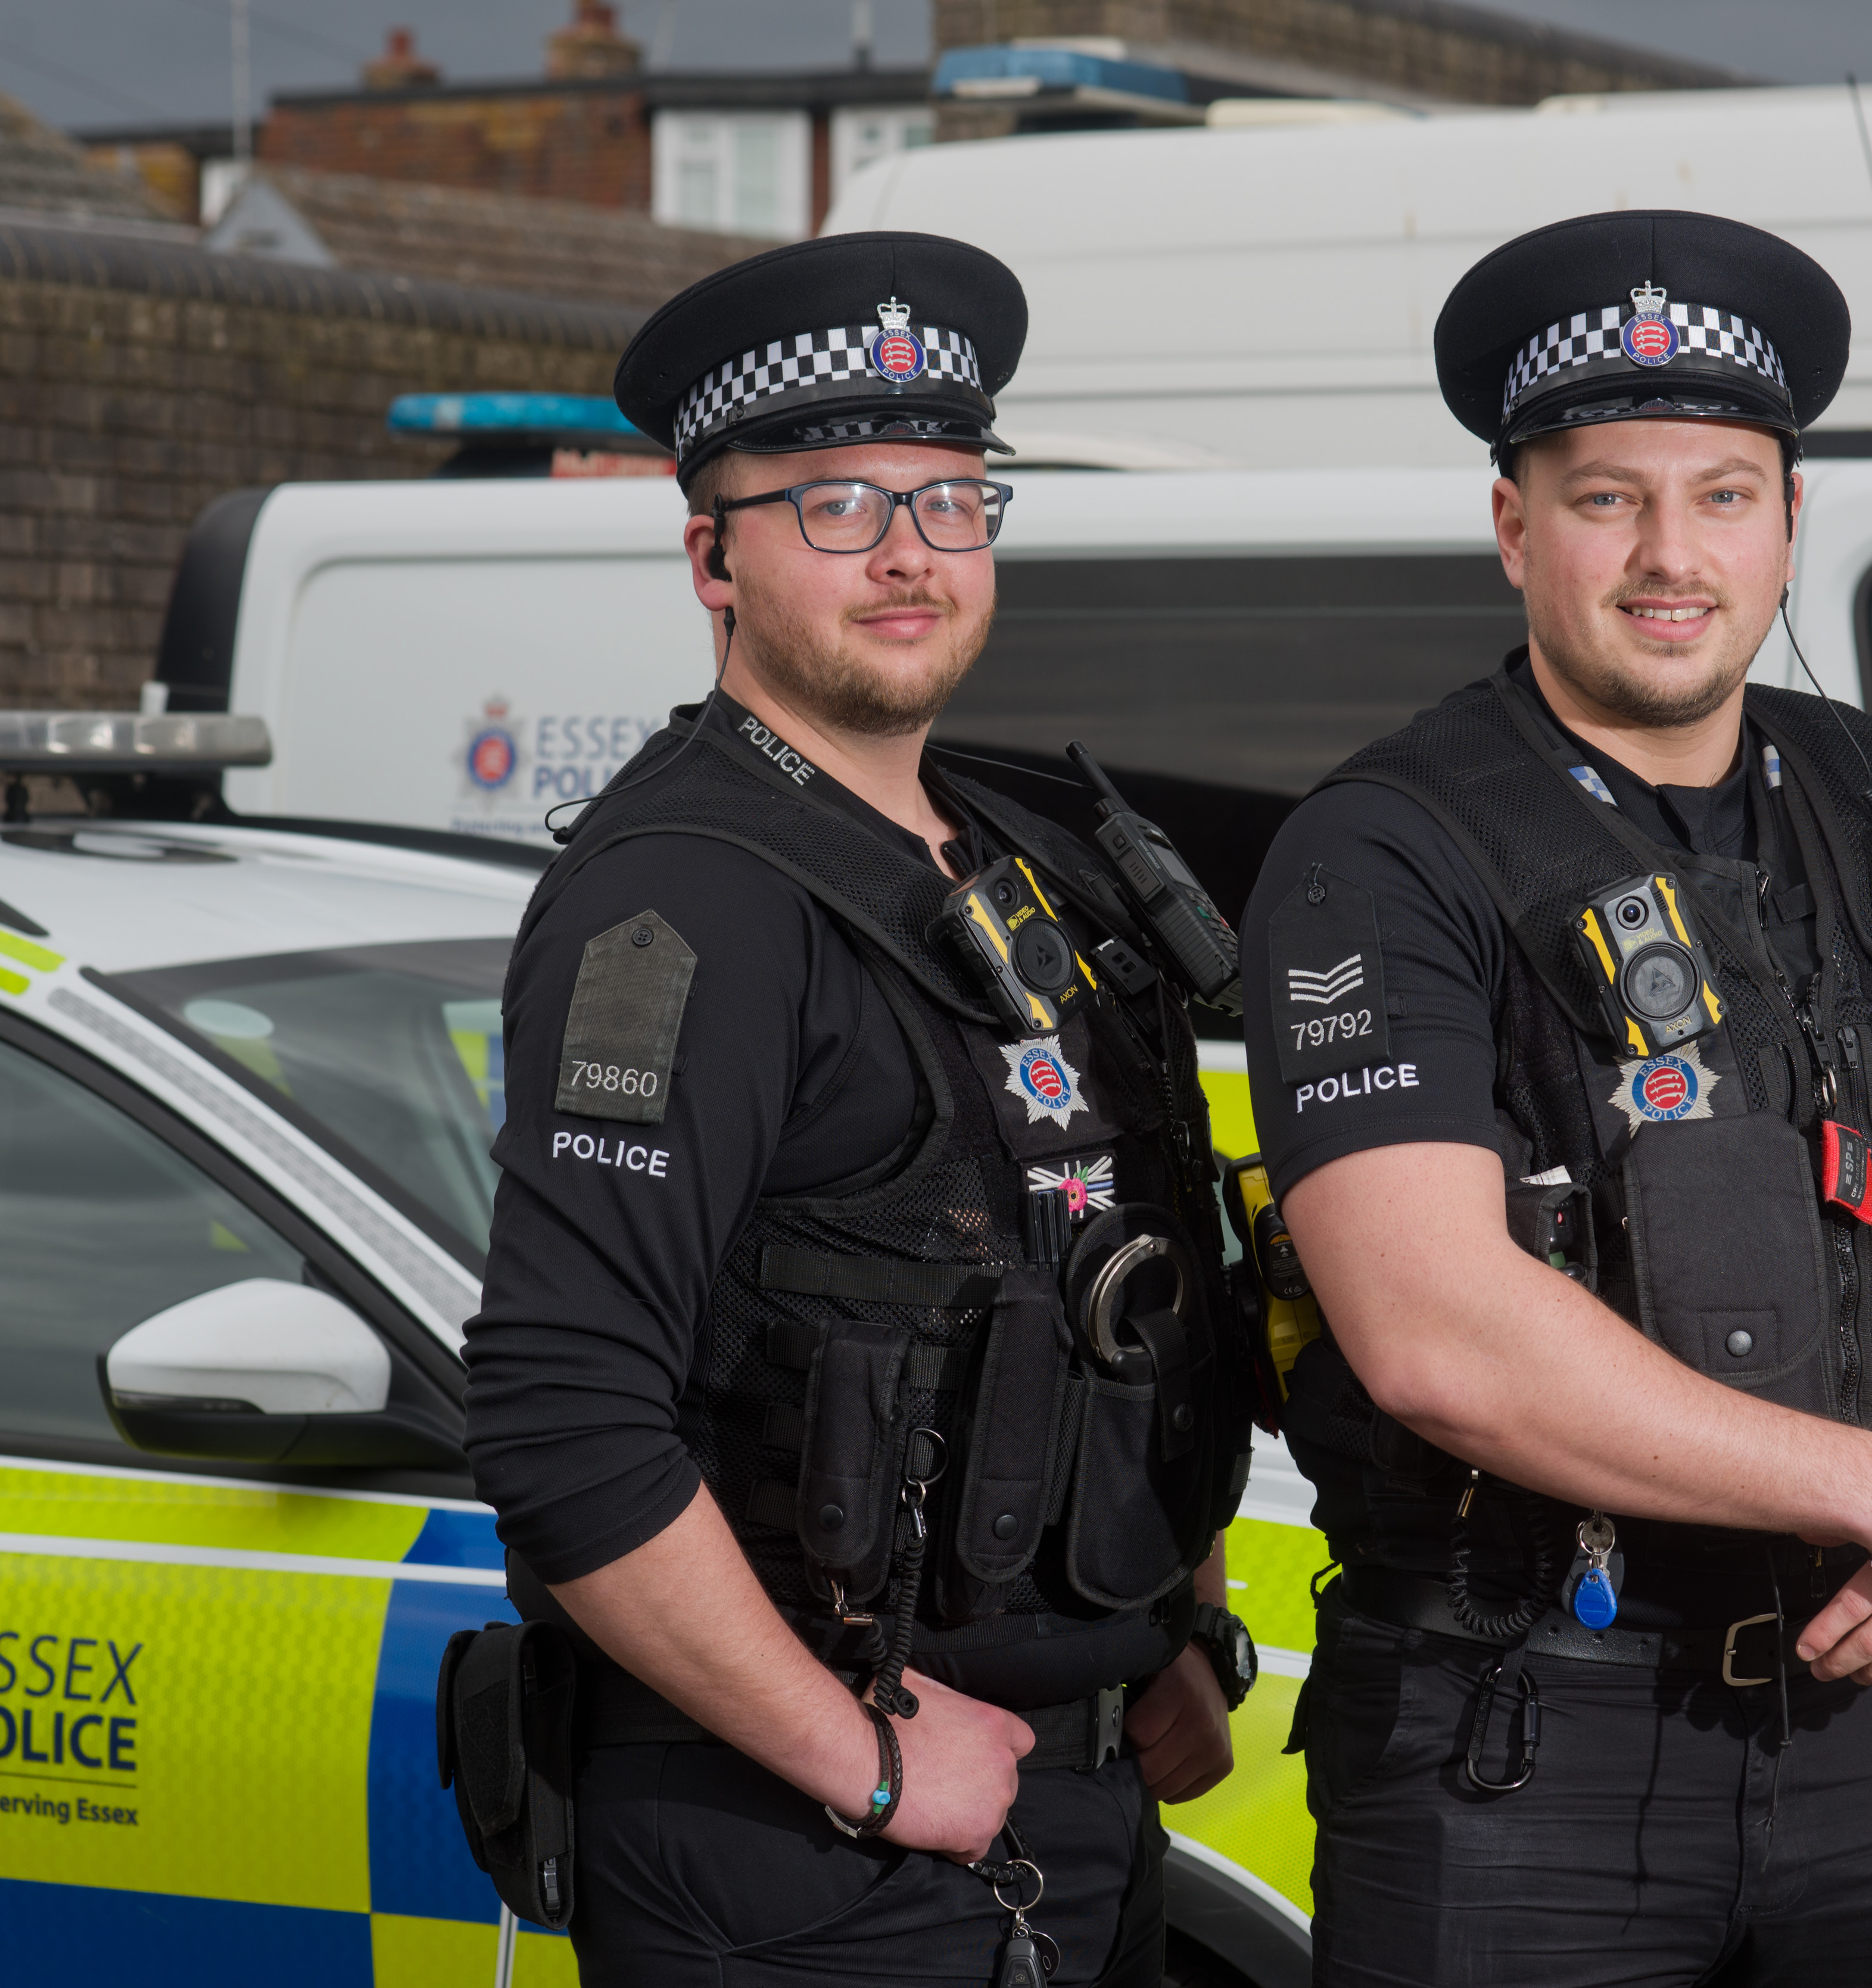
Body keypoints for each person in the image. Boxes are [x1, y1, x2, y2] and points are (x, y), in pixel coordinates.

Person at [1238, 211, 1872, 1987]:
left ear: (1789, 520)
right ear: (1514, 526)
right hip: (1518, 1742)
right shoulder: (1383, 854)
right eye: (1607, 498)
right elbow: (1435, 1334)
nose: (1669, 555)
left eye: (1720, 495)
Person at [463, 232, 1256, 1988]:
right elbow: (559, 1416)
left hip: (1073, 1796)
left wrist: (1184, 1628)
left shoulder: (1035, 864)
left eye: (950, 499)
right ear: (712, 556)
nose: (908, 552)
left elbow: (1126, 1282)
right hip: (805, 1850)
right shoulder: (677, 905)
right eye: (834, 504)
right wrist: (864, 1758)